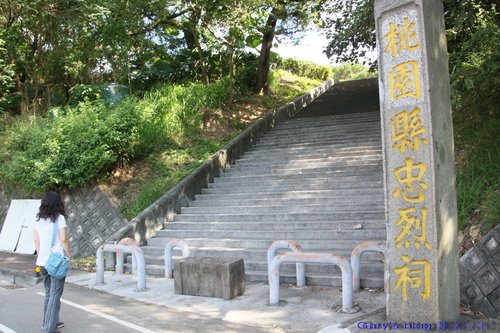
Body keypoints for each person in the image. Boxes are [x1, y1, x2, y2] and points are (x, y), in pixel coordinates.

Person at [32, 191, 72, 333]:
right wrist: (69, 255)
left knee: (49, 292)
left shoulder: (36, 220)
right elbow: (64, 240)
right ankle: (49, 329)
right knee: (55, 293)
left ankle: (48, 323)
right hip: (55, 262)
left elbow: (37, 242)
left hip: (42, 261)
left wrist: (41, 257)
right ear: (58, 203)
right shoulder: (59, 219)